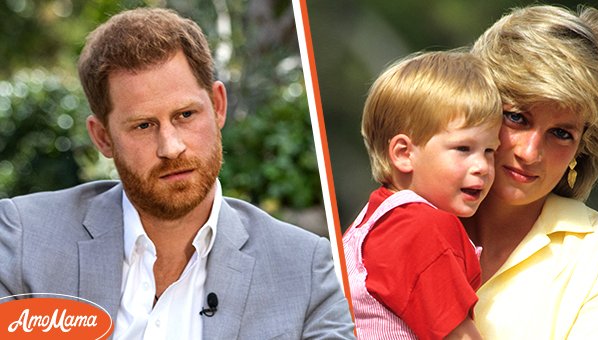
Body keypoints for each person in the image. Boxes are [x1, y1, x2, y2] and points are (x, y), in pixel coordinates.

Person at [0, 7, 354, 339]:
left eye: (186, 115)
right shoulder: (23, 240)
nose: (171, 147)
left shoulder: (304, 268)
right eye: (142, 125)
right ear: (103, 137)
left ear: (217, 106)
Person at [462, 5, 598, 339]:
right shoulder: (402, 216)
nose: (529, 152)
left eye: (561, 133)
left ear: (582, 149)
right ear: (479, 104)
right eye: (517, 117)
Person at [343, 51, 502, 339]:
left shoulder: (372, 221)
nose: (482, 166)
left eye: (489, 150)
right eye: (463, 149)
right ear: (404, 154)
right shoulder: (421, 228)